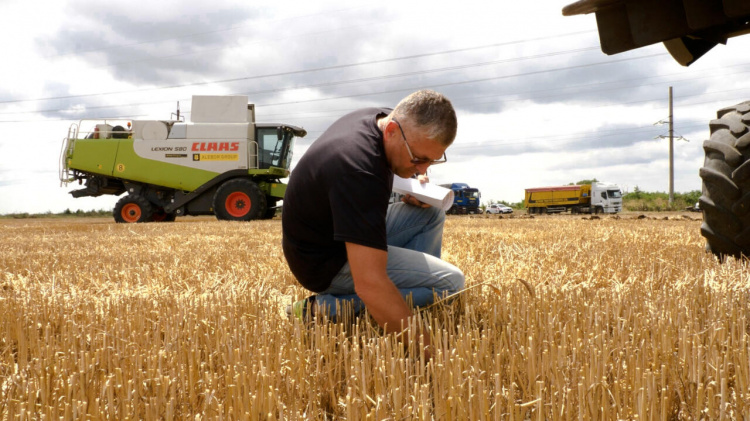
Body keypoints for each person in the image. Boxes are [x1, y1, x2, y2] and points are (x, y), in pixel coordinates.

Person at [281, 89, 465, 349]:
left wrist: (414, 185)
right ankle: (324, 308)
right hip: (323, 262)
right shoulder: (359, 170)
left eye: (432, 161)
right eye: (419, 159)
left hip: (331, 233)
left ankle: (408, 302)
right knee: (450, 284)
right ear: (391, 131)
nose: (423, 169)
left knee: (430, 212)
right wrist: (434, 357)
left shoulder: (379, 120)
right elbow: (369, 283)